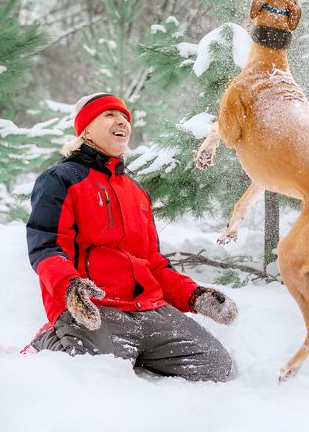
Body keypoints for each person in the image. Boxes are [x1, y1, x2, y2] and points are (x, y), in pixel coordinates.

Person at [23, 92, 237, 382]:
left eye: (124, 117)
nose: (121, 121)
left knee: (217, 367)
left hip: (150, 311)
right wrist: (70, 288)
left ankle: (134, 351)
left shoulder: (135, 192)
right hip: (95, 307)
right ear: (85, 129)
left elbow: (154, 263)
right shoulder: (62, 179)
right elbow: (46, 246)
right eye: (109, 115)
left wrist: (195, 295)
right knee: (100, 375)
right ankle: (52, 338)